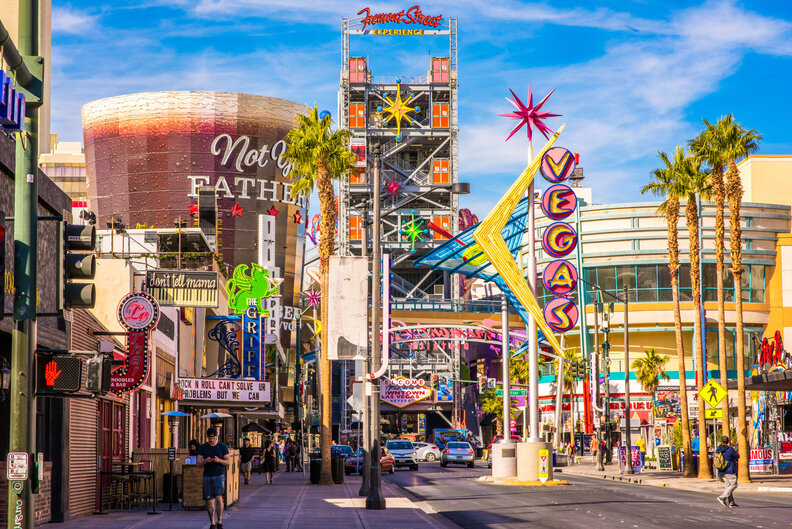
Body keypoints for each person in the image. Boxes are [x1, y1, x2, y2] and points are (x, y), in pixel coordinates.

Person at [198, 427, 230, 529]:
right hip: (207, 475)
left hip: (219, 475)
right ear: (207, 437)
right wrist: (205, 461)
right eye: (210, 438)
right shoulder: (203, 447)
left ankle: (219, 521)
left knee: (219, 498)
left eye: (213, 438)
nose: (211, 440)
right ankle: (212, 523)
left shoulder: (222, 446)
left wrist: (219, 460)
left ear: (216, 436)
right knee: (209, 501)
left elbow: (228, 462)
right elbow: (198, 463)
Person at [716, 436, 740, 508]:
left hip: (722, 470)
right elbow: (737, 455)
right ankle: (722, 497)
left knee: (728, 486)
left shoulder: (718, 449)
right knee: (734, 485)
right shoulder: (730, 449)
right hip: (730, 469)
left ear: (721, 441)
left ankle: (731, 502)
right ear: (728, 441)